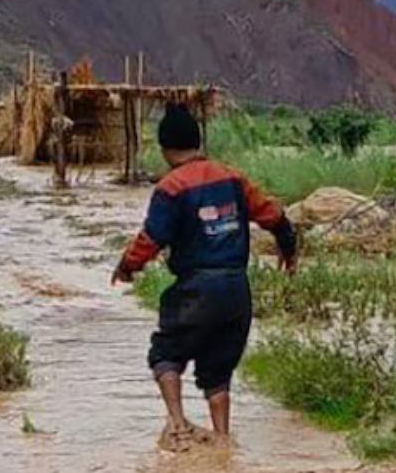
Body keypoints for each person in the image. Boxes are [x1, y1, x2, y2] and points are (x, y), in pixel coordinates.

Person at [111, 103, 297, 450]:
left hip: (196, 289)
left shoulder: (170, 187)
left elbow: (151, 239)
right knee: (218, 370)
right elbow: (275, 217)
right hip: (236, 291)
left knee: (165, 353)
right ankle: (223, 440)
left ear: (166, 149)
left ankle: (178, 425)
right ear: (197, 143)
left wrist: (127, 266)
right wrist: (290, 253)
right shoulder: (233, 177)